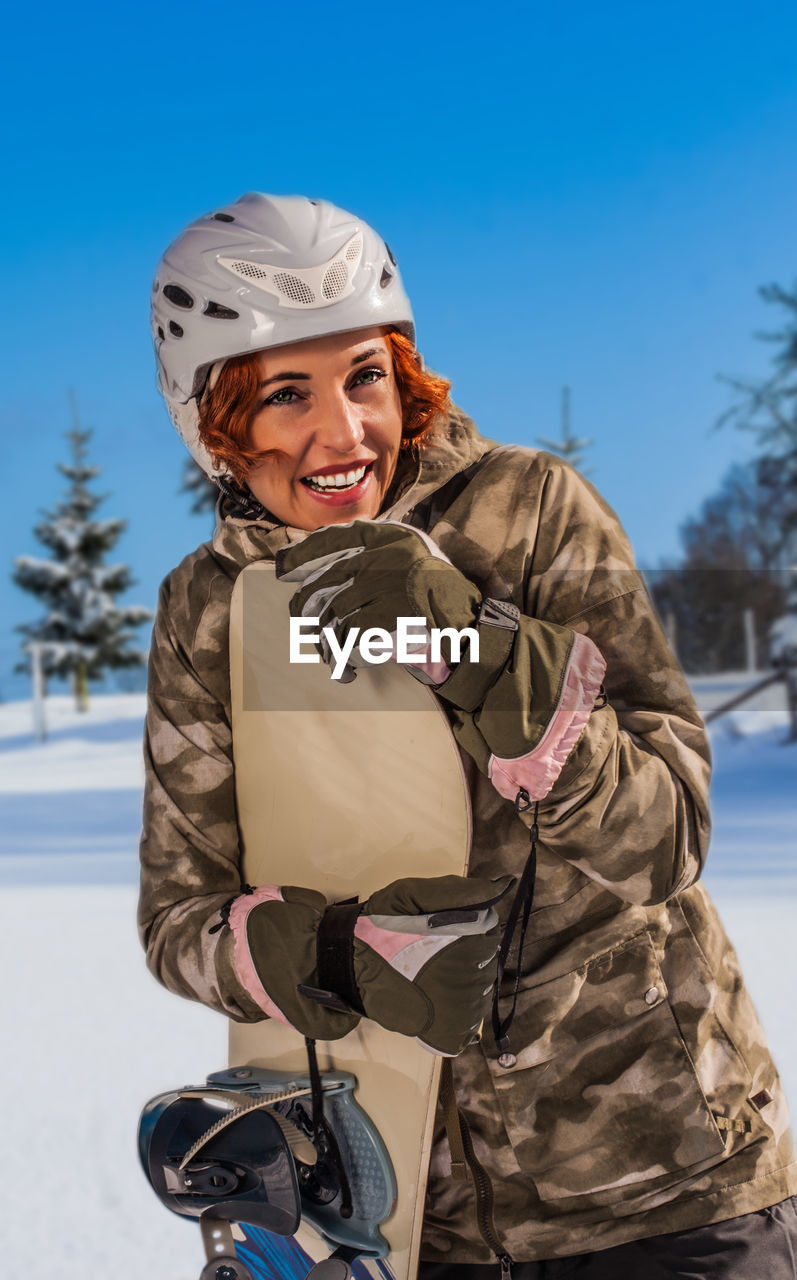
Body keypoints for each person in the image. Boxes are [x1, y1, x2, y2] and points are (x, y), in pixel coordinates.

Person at [139, 192, 797, 1277]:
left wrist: (481, 652)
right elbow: (181, 914)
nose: (342, 431)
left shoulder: (531, 511)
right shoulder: (207, 612)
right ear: (212, 416)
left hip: (663, 1184)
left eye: (366, 376)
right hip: (405, 1208)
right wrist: (339, 954)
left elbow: (666, 830)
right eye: (285, 394)